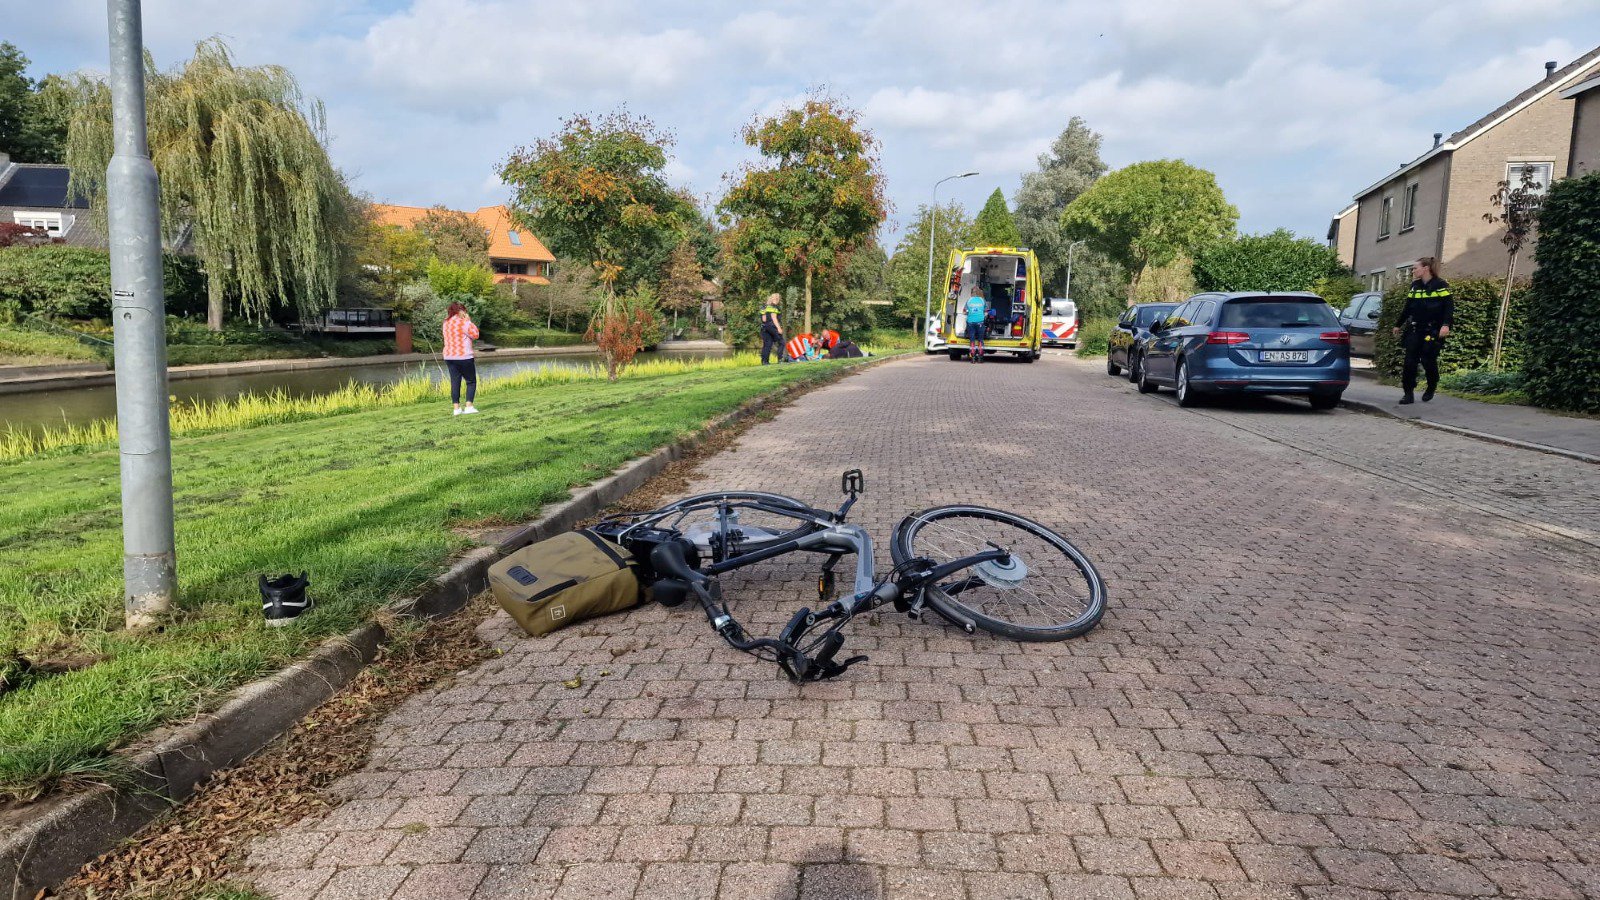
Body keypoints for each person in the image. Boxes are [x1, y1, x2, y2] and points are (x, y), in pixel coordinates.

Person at [1392, 257, 1453, 404]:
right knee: (1409, 362)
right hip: (1415, 328)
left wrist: (1446, 325)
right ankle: (1408, 394)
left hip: (1433, 330)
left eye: (1415, 268)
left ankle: (1431, 385)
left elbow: (1449, 308)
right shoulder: (1415, 286)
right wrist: (1398, 324)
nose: (1413, 271)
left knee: (1428, 360)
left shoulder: (1441, 285)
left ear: (1425, 268)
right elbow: (1408, 307)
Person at [442, 301, 480, 415]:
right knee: (471, 381)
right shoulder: (464, 323)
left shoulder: (445, 323)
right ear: (461, 311)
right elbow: (475, 334)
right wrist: (468, 321)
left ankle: (456, 409)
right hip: (463, 356)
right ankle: (469, 406)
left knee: (455, 382)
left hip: (449, 356)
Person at [759, 293, 785, 365]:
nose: (778, 300)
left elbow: (764, 319)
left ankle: (765, 361)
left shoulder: (764, 307)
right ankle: (780, 360)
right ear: (776, 299)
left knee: (767, 344)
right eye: (777, 298)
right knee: (782, 342)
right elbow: (774, 318)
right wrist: (779, 328)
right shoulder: (774, 307)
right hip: (772, 327)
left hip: (764, 327)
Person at [965, 285, 987, 362]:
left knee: (972, 340)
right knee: (980, 339)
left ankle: (973, 357)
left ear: (972, 293)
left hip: (970, 322)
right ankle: (980, 358)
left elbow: (964, 311)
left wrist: (969, 312)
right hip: (980, 322)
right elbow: (985, 311)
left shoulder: (969, 300)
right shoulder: (982, 300)